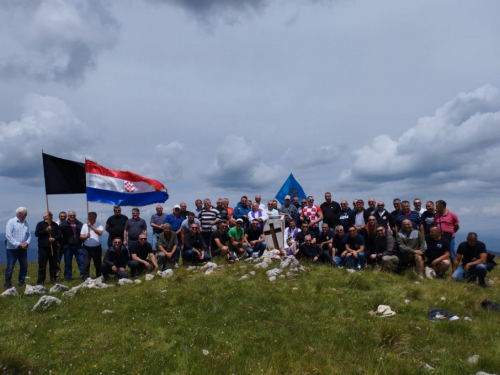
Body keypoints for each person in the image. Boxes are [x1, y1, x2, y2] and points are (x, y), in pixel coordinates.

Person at [5, 207, 31, 287]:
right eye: (25, 213)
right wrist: (18, 244)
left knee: (24, 266)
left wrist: (26, 243)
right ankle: (7, 283)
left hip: (23, 249)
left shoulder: (26, 223)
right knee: (10, 267)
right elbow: (8, 236)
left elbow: (29, 235)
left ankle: (21, 282)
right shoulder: (11, 222)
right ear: (19, 213)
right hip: (12, 249)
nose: (26, 214)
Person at [35, 212, 61, 285]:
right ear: (44, 217)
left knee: (53, 264)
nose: (48, 217)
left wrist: (54, 238)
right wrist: (45, 230)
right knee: (42, 264)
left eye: (49, 216)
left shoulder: (55, 225)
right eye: (46, 216)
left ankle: (53, 279)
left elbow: (59, 234)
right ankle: (41, 280)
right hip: (43, 247)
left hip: (53, 247)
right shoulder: (40, 224)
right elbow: (37, 234)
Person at [59, 211, 85, 281]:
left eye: (73, 215)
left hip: (78, 246)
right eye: (71, 215)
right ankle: (68, 277)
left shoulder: (80, 224)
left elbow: (83, 234)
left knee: (81, 262)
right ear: (68, 216)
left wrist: (82, 242)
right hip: (68, 247)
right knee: (68, 263)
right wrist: (63, 244)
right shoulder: (63, 225)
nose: (72, 217)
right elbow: (59, 236)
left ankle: (84, 275)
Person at [80, 212, 104, 279]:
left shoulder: (99, 225)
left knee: (98, 263)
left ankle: (98, 277)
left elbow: (99, 233)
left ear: (93, 217)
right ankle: (85, 277)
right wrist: (86, 237)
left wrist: (91, 226)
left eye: (89, 216)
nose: (87, 218)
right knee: (86, 263)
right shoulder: (84, 225)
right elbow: (81, 236)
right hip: (86, 247)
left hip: (96, 247)